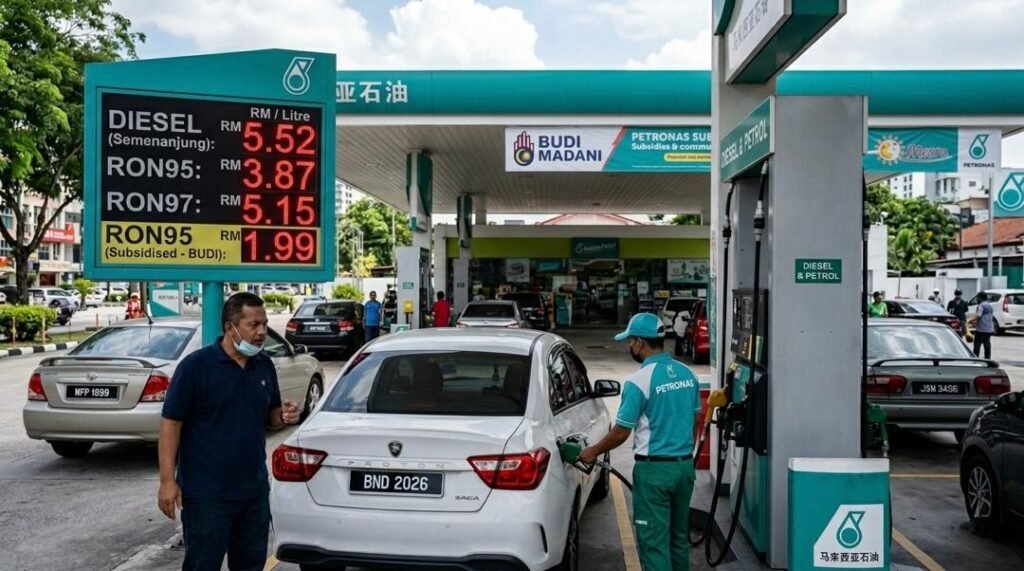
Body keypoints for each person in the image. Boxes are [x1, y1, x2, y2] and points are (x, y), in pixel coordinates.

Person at [157, 292, 301, 571]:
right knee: (202, 564)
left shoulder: (264, 365)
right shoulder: (196, 367)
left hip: (253, 492)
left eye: (264, 324)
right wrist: (166, 481)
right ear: (230, 328)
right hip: (206, 494)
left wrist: (283, 415)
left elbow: (271, 418)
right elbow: (170, 424)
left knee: (251, 564)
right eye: (253, 325)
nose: (262, 332)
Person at [579, 313, 700, 571]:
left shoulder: (638, 381)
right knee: (678, 539)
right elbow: (693, 420)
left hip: (654, 472)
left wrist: (593, 451)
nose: (630, 346)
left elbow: (622, 431)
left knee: (654, 544)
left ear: (639, 342)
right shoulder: (687, 374)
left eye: (630, 341)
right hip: (684, 468)